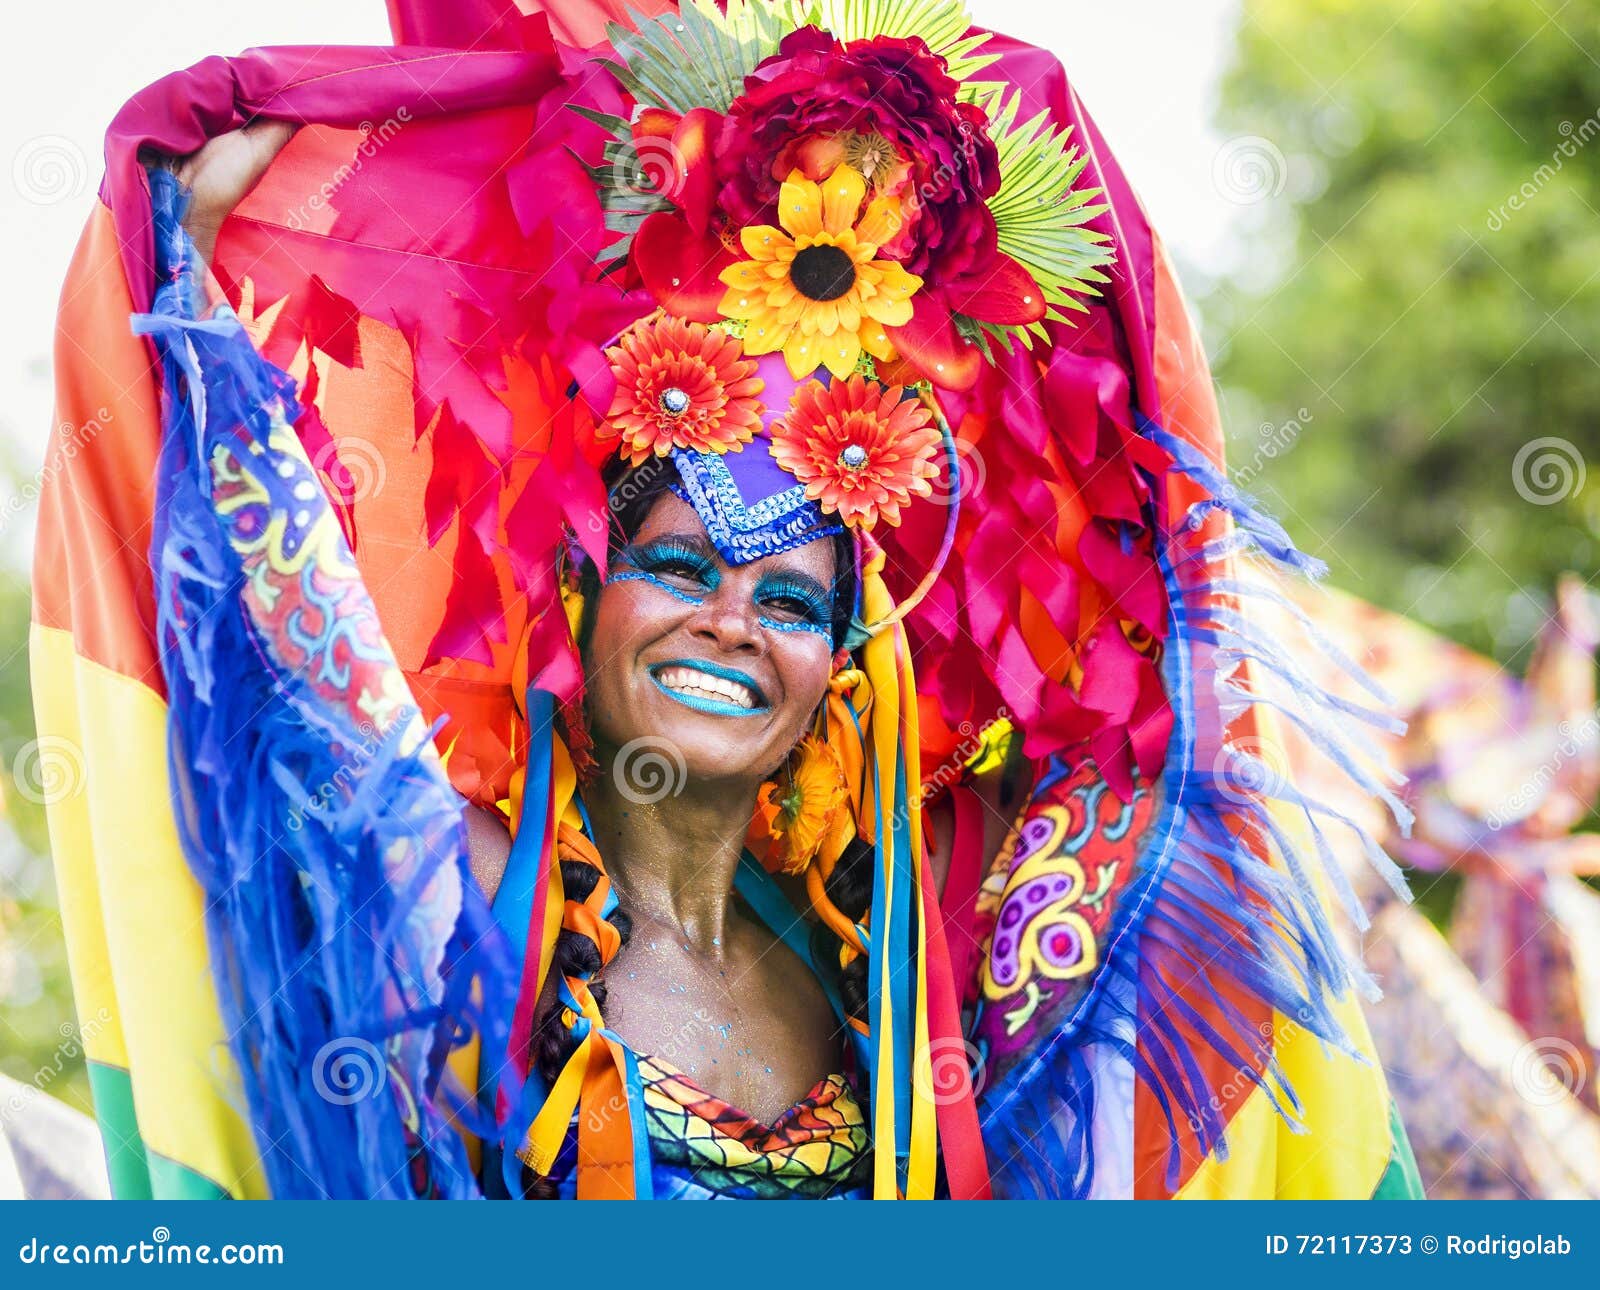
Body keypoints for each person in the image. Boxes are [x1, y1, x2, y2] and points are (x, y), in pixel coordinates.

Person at [32, 0, 1422, 1199]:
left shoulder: (902, 931)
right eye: (681, 568)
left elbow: (1153, 744)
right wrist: (191, 289)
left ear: (843, 658)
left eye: (793, 600)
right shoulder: (472, 898)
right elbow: (283, 682)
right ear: (580, 595)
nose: (732, 622)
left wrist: (1125, 415)